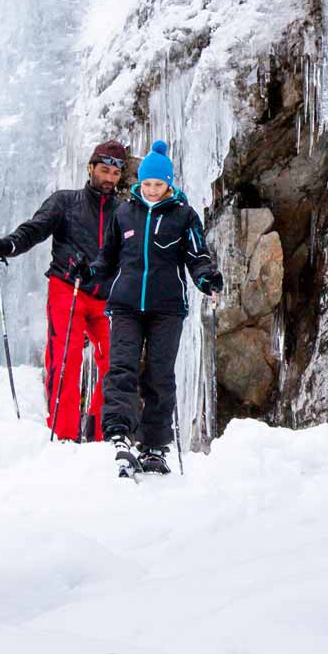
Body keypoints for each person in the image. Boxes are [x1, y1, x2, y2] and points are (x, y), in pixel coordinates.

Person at [89, 139, 222, 476]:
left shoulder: (184, 216)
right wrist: (90, 271)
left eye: (157, 184)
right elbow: (108, 256)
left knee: (159, 377)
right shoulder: (124, 213)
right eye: (146, 183)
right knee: (122, 369)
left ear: (169, 184)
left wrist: (207, 280)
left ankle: (154, 447)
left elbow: (197, 256)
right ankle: (119, 434)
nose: (150, 190)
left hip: (167, 309)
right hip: (126, 306)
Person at [0, 141, 128, 441]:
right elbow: (35, 229)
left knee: (116, 365)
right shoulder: (66, 202)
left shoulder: (124, 212)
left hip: (106, 298)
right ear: (90, 168)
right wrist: (8, 245)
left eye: (115, 173)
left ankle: (103, 434)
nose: (109, 179)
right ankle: (64, 436)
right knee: (65, 360)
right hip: (67, 288)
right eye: (104, 170)